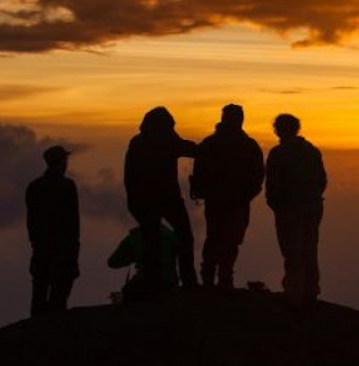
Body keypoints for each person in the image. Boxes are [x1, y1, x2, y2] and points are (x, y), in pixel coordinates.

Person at [124, 106, 198, 291]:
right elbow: (189, 149)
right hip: (167, 198)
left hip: (144, 201)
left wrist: (134, 202)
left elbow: (129, 177)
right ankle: (188, 281)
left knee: (152, 242)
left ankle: (152, 284)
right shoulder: (167, 140)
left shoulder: (138, 142)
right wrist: (211, 147)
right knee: (184, 237)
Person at [191, 103, 264, 289]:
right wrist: (246, 195)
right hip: (237, 201)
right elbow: (258, 176)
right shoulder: (249, 145)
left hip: (218, 200)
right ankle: (224, 278)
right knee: (231, 240)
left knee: (215, 237)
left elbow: (199, 172)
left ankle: (211, 277)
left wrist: (205, 192)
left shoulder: (209, 144)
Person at [265, 113, 327, 306]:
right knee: (309, 248)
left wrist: (276, 205)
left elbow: (272, 185)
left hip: (289, 210)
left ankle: (294, 293)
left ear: (278, 130)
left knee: (291, 251)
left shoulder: (278, 153)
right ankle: (311, 290)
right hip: (313, 207)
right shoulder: (312, 151)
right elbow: (322, 180)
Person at [25, 145, 79, 316]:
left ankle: (36, 331)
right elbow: (73, 222)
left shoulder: (34, 186)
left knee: (39, 292)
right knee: (60, 293)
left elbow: (31, 220)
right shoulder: (67, 186)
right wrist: (74, 248)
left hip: (41, 247)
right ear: (62, 161)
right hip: (63, 248)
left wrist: (34, 240)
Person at [108, 224, 179, 301]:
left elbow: (112, 262)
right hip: (170, 283)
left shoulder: (134, 237)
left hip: (144, 283)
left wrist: (131, 259)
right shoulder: (170, 235)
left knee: (126, 292)